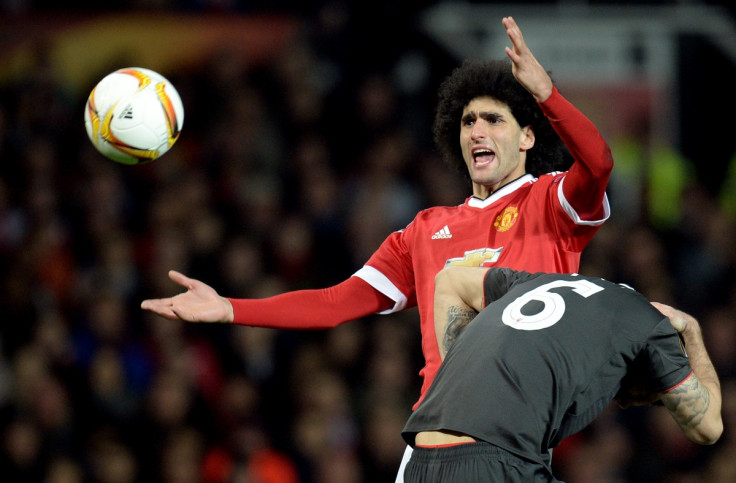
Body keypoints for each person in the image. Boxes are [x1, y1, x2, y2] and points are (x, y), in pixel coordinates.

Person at [141, 16, 614, 479]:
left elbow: (597, 164)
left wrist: (548, 95)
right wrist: (229, 308)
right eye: (469, 120)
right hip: (434, 441)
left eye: (494, 119)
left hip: (516, 439)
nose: (477, 131)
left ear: (528, 136)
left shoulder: (551, 202)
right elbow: (334, 303)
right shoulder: (426, 229)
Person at [401, 265, 723, 482]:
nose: (624, 402)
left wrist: (462, 378)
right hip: (495, 462)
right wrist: (692, 330)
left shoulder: (538, 282)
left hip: (421, 459)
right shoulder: (650, 324)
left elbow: (449, 280)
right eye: (647, 396)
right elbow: (708, 427)